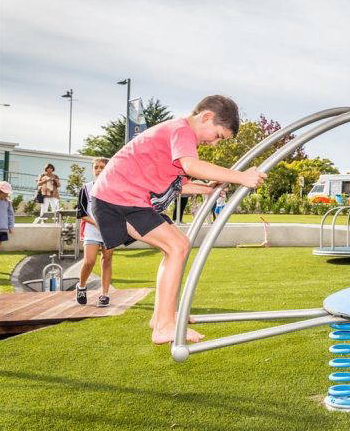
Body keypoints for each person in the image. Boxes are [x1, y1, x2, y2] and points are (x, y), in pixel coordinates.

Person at [90, 95, 267, 345]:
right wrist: (240, 176)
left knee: (175, 246)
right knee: (177, 246)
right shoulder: (181, 130)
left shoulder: (174, 136)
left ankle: (163, 317)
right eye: (218, 136)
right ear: (206, 117)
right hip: (119, 197)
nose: (215, 144)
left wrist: (208, 189)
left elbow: (179, 184)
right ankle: (164, 326)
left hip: (121, 196)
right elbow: (192, 166)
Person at [75, 158, 115, 307]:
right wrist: (98, 223)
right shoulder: (86, 188)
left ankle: (104, 294)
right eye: (96, 167)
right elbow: (82, 213)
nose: (98, 170)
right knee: (89, 261)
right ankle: (81, 286)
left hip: (109, 230)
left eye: (102, 167)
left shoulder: (115, 188)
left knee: (107, 260)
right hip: (92, 229)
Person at [0, 181, 15, 248]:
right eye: (5, 192)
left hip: (2, 227)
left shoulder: (7, 202)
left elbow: (10, 215)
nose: (6, 194)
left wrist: (10, 226)